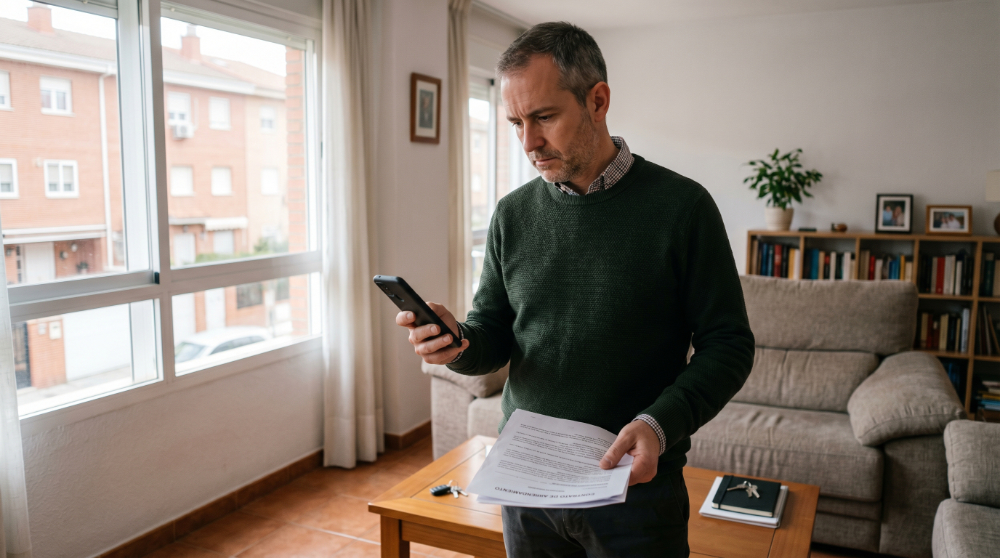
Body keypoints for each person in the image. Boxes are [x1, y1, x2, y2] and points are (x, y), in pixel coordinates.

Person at [395, 21, 755, 557]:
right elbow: (494, 334)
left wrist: (659, 425)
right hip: (527, 488)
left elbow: (729, 344)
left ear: (598, 100)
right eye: (516, 122)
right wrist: (459, 345)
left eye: (543, 117)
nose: (528, 142)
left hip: (635, 489)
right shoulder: (511, 214)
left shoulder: (683, 209)